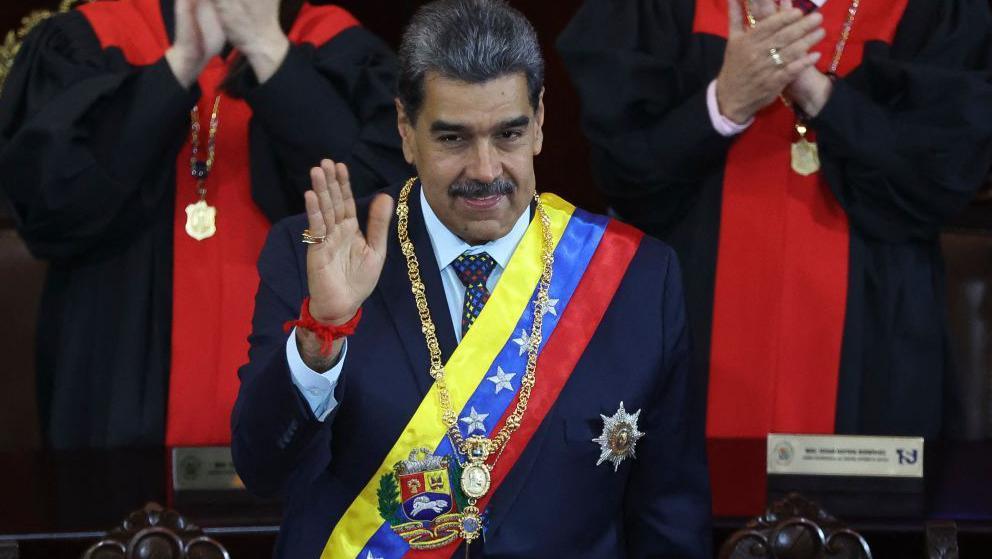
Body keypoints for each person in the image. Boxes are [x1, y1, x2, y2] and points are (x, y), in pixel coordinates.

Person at [232, 0, 711, 557]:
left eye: (508, 134)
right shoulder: (316, 255)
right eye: (453, 139)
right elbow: (263, 470)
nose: (485, 171)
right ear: (406, 132)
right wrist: (323, 335)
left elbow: (670, 518)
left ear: (539, 124)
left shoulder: (638, 281)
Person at [558, 0, 992, 438]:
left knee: (867, 501)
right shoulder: (657, 10)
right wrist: (723, 105)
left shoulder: (933, 11)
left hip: (874, 348)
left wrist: (819, 97)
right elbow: (623, 176)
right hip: (693, 330)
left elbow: (941, 180)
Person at [0, 0, 410, 448]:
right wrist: (179, 66)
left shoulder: (335, 42)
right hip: (118, 381)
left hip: (302, 400)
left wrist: (269, 53)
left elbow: (378, 216)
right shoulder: (88, 39)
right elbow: (48, 208)